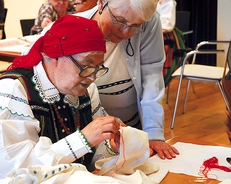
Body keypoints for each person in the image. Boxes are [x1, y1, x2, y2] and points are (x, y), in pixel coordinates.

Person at [0, 15, 128, 184]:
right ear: (54, 57)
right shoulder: (10, 93)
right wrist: (83, 139)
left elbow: (90, 157)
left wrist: (110, 146)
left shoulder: (86, 90)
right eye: (87, 65)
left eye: (98, 67)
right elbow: (14, 172)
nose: (92, 77)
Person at [39, 0, 180, 160]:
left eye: (135, 26)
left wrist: (153, 132)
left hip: (125, 132)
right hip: (83, 135)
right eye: (119, 20)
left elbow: (151, 77)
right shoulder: (67, 30)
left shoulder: (148, 22)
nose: (126, 32)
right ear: (101, 3)